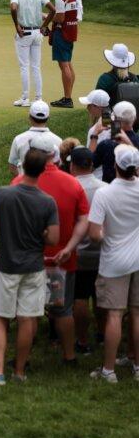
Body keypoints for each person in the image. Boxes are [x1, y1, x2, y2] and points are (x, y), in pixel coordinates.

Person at [0, 149, 60, 384]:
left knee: (1, 318)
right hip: (34, 267)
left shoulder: (4, 194)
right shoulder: (47, 201)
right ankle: (20, 371)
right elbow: (53, 238)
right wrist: (41, 232)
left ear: (22, 166)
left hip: (8, 266)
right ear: (43, 170)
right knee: (27, 319)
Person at [10, 135, 90, 366]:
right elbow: (83, 220)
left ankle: (23, 360)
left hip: (29, 259)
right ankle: (69, 356)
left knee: (29, 311)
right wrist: (69, 247)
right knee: (63, 310)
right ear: (55, 156)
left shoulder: (18, 183)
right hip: (61, 259)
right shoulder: (73, 183)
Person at [87, 145, 139, 382]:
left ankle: (109, 370)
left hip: (114, 261)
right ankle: (137, 365)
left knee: (115, 316)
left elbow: (95, 234)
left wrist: (105, 234)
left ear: (115, 165)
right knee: (137, 314)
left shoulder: (104, 193)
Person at [68, 147, 106, 355]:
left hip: (78, 251)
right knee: (100, 296)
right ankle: (101, 334)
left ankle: (82, 340)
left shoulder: (70, 187)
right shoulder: (105, 187)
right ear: (92, 165)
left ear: (73, 165)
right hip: (102, 250)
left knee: (80, 296)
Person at [9, 0, 53, 107]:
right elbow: (53, 10)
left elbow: (13, 8)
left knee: (24, 66)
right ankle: (38, 98)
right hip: (37, 34)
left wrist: (16, 25)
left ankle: (25, 98)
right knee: (36, 66)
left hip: (24, 33)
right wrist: (44, 26)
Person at [46, 0, 83, 108]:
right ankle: (68, 96)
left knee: (64, 65)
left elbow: (60, 18)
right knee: (68, 63)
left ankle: (67, 99)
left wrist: (47, 17)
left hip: (62, 32)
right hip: (72, 30)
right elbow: (78, 13)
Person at [8, 101, 62, 176]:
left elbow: (12, 167)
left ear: (29, 116)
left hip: (26, 183)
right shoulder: (59, 141)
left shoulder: (19, 139)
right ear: (48, 117)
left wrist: (22, 179)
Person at [95, 43, 138, 108]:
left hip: (113, 115)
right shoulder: (135, 79)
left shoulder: (104, 79)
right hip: (134, 116)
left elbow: (97, 102)